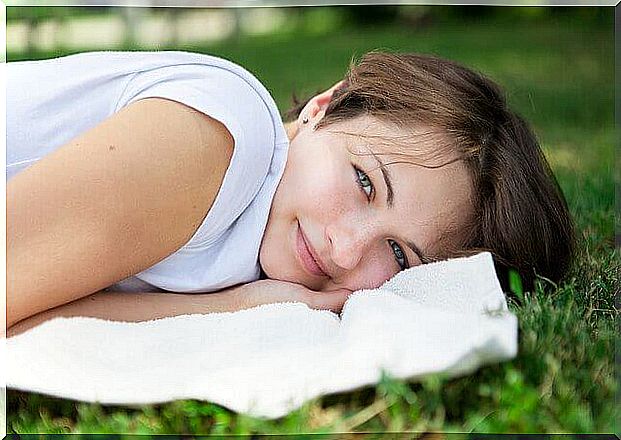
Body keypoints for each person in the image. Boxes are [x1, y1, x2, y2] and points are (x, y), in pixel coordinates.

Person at [6, 50, 575, 336]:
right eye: (364, 182)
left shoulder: (255, 257)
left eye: (399, 255)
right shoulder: (226, 136)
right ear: (324, 108)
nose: (347, 252)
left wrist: (236, 307)